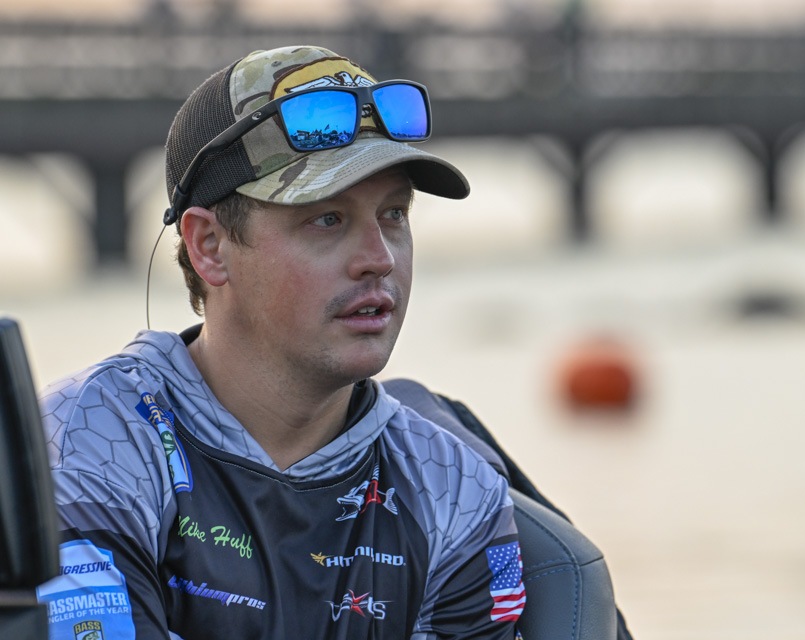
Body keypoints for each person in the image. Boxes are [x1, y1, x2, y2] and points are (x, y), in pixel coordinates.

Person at [35, 45, 526, 640]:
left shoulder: (457, 488)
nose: (379, 258)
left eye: (394, 214)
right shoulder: (83, 446)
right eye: (327, 219)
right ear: (210, 247)